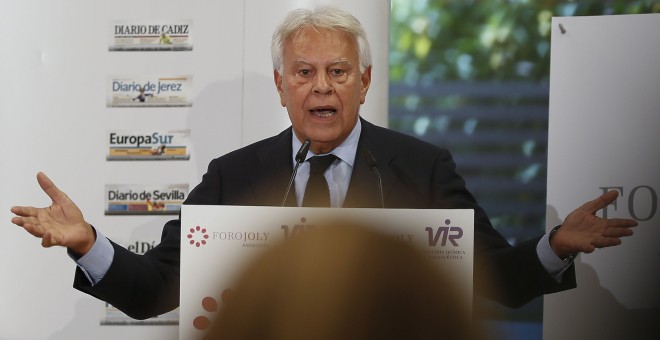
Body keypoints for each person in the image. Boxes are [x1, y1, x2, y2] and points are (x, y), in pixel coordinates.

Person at [10, 6, 637, 320]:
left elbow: (489, 278)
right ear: (281, 86)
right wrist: (88, 241)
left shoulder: (420, 167)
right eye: (305, 74)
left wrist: (556, 244)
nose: (322, 88)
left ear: (364, 82)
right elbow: (154, 291)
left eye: (338, 73)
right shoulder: (234, 176)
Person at [202, 221, 483, 340]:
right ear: (280, 93)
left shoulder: (427, 166)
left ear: (362, 92)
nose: (322, 91)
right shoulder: (229, 172)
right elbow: (169, 266)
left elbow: (494, 268)